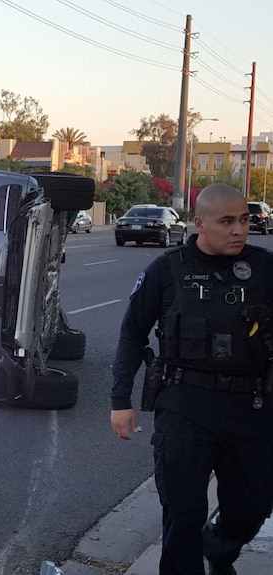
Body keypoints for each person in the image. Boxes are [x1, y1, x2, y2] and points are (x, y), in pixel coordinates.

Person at [110, 184, 273, 575]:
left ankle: (220, 549)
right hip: (185, 406)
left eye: (245, 220)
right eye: (227, 222)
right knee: (182, 517)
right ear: (199, 223)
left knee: (250, 509)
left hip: (252, 408)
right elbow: (133, 333)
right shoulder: (167, 270)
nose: (239, 230)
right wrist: (120, 400)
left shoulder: (265, 269)